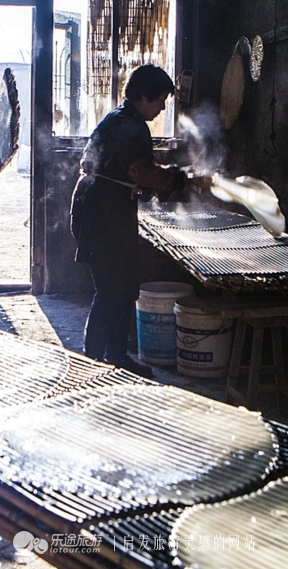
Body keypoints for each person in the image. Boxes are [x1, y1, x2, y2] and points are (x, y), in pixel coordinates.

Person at [70, 65, 208, 378]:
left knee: (119, 288)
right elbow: (140, 173)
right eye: (160, 100)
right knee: (110, 290)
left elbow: (136, 169)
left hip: (107, 211)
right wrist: (178, 181)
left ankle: (116, 356)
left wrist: (171, 176)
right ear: (144, 95)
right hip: (101, 215)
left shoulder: (125, 120)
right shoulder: (127, 125)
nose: (161, 108)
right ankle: (91, 363)